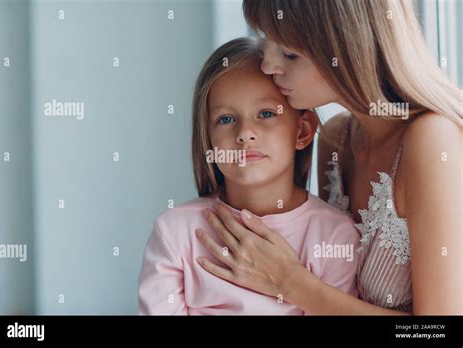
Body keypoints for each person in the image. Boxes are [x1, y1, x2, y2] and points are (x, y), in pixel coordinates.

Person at [195, 0, 462, 315]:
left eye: (289, 54)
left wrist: (290, 282)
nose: (268, 66)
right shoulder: (336, 140)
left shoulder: (432, 139)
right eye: (267, 42)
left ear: (348, 47)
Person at [138, 37, 360, 315]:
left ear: (302, 132)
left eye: (266, 113)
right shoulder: (174, 233)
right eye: (226, 119)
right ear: (208, 139)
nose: (244, 133)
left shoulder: (334, 236)